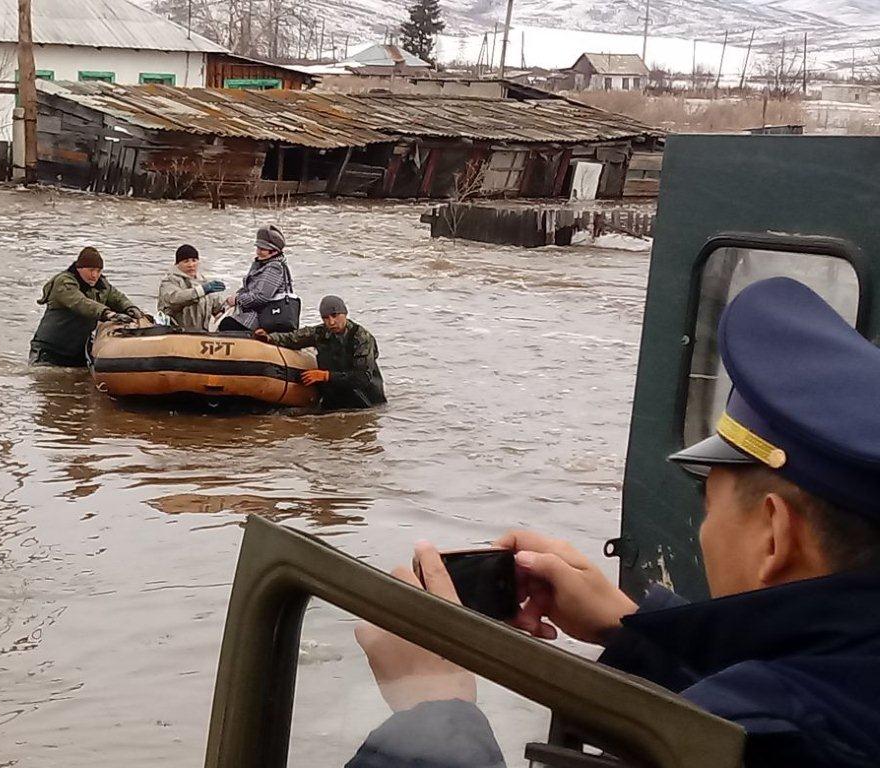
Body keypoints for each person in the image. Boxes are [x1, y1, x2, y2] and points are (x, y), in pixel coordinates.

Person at [348, 277, 880, 768]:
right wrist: (630, 633)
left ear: (774, 534)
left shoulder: (767, 740)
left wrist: (432, 706)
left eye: (709, 502)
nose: (703, 527)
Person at [254, 295, 386, 410]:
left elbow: (362, 378)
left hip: (367, 401)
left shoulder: (362, 338)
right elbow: (293, 338)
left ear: (344, 313)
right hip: (337, 398)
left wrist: (325, 376)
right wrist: (269, 337)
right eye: (325, 318)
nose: (331, 322)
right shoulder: (320, 333)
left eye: (334, 316)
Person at [29, 246, 143, 367]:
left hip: (77, 353)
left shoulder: (102, 286)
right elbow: (81, 303)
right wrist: (107, 314)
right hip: (50, 351)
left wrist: (131, 309)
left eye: (99, 271)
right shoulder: (64, 283)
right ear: (79, 268)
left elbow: (117, 298)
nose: (95, 275)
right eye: (91, 270)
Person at [218, 225, 297, 333]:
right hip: (256, 314)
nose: (258, 252)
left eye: (262, 249)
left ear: (274, 251)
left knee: (227, 324)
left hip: (266, 317)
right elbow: (248, 288)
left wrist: (237, 300)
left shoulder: (275, 268)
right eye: (258, 247)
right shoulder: (261, 264)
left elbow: (261, 296)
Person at [157, 244, 227, 331]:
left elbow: (218, 306)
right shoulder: (168, 281)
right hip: (175, 333)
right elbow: (175, 299)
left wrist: (226, 307)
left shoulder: (203, 281)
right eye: (186, 261)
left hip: (201, 335)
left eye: (194, 260)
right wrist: (201, 291)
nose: (191, 265)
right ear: (177, 264)